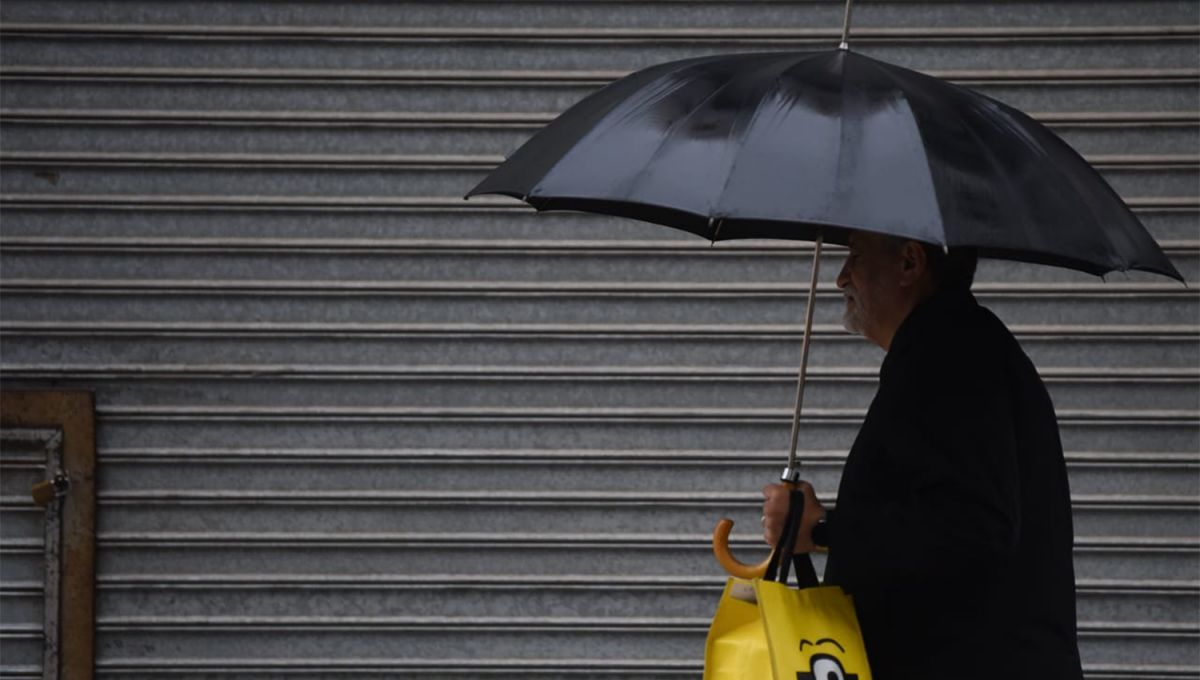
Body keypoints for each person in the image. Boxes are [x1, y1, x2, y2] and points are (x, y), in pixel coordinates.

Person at [761, 230, 1084, 679]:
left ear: (910, 263)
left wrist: (819, 528)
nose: (841, 278)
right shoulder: (952, 348)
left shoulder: (953, 359)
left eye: (856, 256)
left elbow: (974, 526)